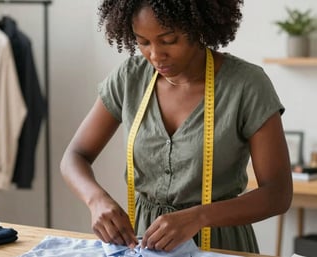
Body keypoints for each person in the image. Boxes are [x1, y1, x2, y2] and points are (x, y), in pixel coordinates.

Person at [60, 0, 293, 253]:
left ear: (197, 27)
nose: (155, 55)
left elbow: (278, 194)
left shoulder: (247, 85)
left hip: (217, 244)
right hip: (144, 239)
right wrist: (97, 200)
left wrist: (199, 217)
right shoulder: (130, 78)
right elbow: (74, 156)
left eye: (169, 40)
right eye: (143, 42)